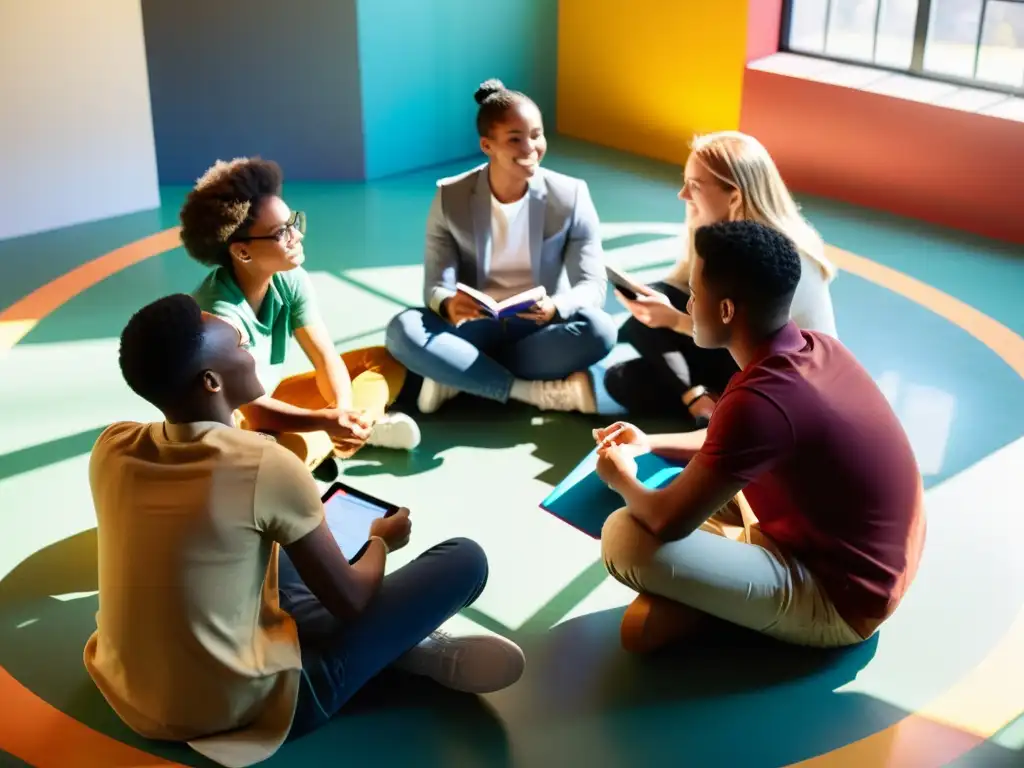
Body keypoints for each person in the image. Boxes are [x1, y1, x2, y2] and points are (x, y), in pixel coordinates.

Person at [84, 294, 525, 767]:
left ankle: (390, 641)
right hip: (235, 709)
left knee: (275, 547)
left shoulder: (113, 445)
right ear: (211, 381)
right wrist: (380, 539)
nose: (249, 351)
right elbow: (352, 600)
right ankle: (408, 648)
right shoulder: (265, 465)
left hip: (127, 689)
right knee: (466, 560)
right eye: (237, 344)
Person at [594, 221, 925, 653]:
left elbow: (664, 522)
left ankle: (720, 599)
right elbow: (729, 441)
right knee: (684, 485)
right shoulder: (815, 347)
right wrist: (649, 443)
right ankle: (722, 587)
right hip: (877, 564)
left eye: (695, 293)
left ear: (728, 310)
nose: (689, 304)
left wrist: (619, 475)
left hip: (843, 603)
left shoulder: (760, 401)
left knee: (625, 534)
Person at [385, 79, 617, 415]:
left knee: (600, 329)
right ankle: (528, 392)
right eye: (515, 139)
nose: (530, 148)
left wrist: (555, 306)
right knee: (401, 329)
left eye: (537, 135)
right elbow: (435, 284)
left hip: (537, 334)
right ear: (487, 145)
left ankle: (459, 373)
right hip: (471, 329)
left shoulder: (571, 195)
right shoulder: (451, 195)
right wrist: (448, 304)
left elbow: (592, 285)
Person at [180, 156, 420, 477]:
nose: (297, 236)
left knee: (379, 361)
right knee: (281, 462)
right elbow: (253, 412)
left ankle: (352, 430)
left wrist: (342, 412)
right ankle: (350, 434)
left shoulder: (288, 278)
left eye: (293, 222)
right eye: (281, 233)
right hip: (237, 434)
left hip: (271, 406)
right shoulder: (220, 319)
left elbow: (324, 357)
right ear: (243, 251)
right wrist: (328, 423)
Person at [604, 131, 839, 426]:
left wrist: (673, 320)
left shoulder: (768, 254)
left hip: (778, 373)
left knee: (629, 372)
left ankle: (709, 404)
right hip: (739, 345)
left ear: (735, 197)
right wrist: (659, 306)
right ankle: (699, 397)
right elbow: (680, 285)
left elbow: (748, 337)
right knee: (646, 317)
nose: (683, 195)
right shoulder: (719, 230)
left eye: (695, 186)